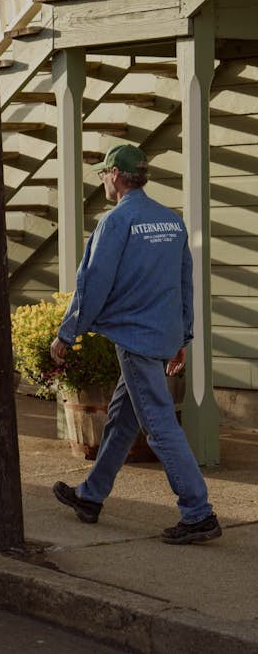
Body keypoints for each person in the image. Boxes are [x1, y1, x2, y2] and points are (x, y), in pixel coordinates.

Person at [50, 143, 221, 545]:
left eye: (104, 174)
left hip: (135, 339)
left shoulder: (116, 222)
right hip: (161, 334)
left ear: (115, 175)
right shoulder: (171, 221)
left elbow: (92, 282)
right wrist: (183, 335)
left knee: (160, 427)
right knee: (122, 419)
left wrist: (67, 333)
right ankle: (90, 497)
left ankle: (198, 513)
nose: (103, 181)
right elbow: (184, 283)